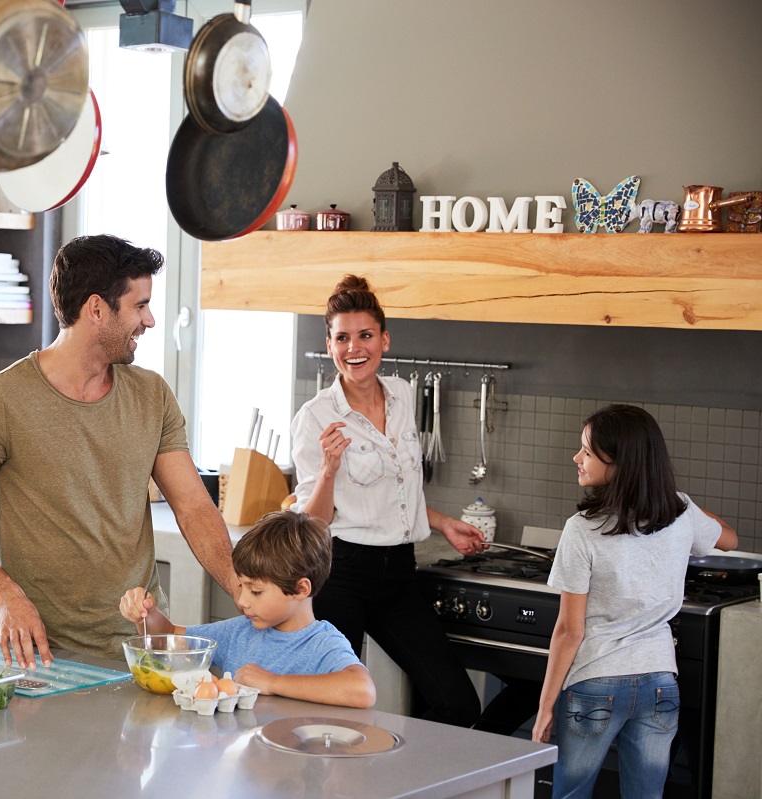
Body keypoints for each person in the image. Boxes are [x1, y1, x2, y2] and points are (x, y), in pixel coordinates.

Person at [0, 234, 237, 669]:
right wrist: (7, 596)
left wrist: (237, 585)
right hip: (44, 655)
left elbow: (192, 505)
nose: (150, 320)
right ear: (96, 309)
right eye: (140, 305)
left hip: (139, 650)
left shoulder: (152, 395)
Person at [288, 274, 486, 727]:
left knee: (458, 703)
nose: (354, 348)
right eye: (342, 338)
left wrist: (440, 522)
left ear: (384, 338)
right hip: (341, 572)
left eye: (365, 335)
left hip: (398, 572)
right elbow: (313, 523)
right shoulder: (315, 417)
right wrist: (331, 469)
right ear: (330, 342)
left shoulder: (401, 393)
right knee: (332, 711)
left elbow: (397, 488)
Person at [532, 404, 737, 798]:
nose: (577, 458)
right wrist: (679, 503)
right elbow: (730, 538)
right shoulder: (681, 513)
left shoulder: (583, 530)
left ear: (620, 464)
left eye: (587, 452)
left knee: (570, 794)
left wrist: (545, 707)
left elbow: (569, 631)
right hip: (660, 683)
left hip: (594, 682)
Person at [120, 510, 377, 708]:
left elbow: (362, 690)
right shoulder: (239, 631)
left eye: (256, 591)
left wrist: (273, 682)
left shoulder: (322, 643)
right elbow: (170, 638)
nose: (242, 601)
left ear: (301, 589)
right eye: (241, 586)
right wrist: (147, 613)